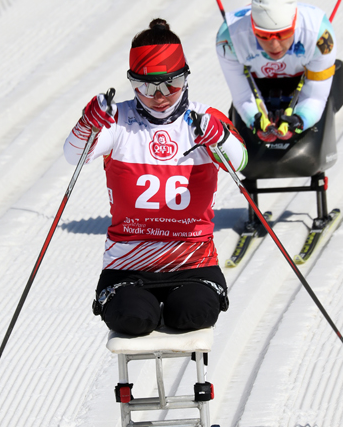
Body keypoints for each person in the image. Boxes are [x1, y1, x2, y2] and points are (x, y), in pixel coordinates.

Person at [64, 19, 248, 337]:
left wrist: (220, 137)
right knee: (131, 319)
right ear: (133, 83)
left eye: (170, 85)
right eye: (147, 87)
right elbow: (73, 155)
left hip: (193, 263)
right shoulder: (117, 121)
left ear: (185, 78)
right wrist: (87, 124)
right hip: (128, 266)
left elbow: (241, 162)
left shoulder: (204, 120)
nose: (160, 96)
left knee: (193, 313)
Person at [216, 0, 337, 141]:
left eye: (283, 34)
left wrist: (300, 120)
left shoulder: (320, 36)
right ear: (253, 27)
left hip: (301, 80)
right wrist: (255, 119)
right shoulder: (228, 38)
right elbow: (242, 96)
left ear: (295, 24)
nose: (274, 45)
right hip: (256, 82)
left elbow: (315, 95)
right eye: (263, 35)